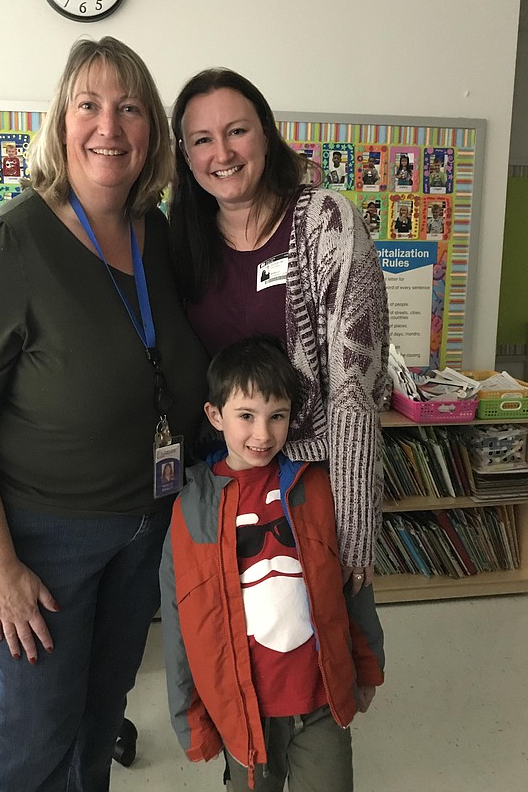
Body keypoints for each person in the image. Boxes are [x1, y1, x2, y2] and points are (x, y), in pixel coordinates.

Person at [0, 36, 208, 792]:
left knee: (96, 715)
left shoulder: (159, 238)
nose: (108, 126)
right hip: (40, 536)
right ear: (61, 123)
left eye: (129, 108)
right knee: (36, 735)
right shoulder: (14, 243)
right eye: (88, 105)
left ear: (152, 131)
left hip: (141, 523)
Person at [169, 68, 389, 591]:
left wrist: (354, 533)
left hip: (312, 486)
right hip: (224, 483)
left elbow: (354, 390)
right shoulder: (180, 239)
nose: (222, 153)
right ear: (186, 155)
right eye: (202, 140)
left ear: (265, 133)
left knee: (327, 648)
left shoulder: (326, 223)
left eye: (237, 131)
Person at [160, 335, 385, 791]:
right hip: (243, 711)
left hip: (320, 698)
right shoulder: (191, 507)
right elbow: (181, 619)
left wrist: (367, 664)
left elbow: (349, 586)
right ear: (215, 415)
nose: (262, 434)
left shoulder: (315, 487)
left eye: (276, 416)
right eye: (246, 416)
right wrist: (191, 718)